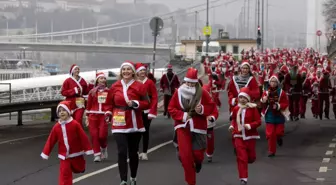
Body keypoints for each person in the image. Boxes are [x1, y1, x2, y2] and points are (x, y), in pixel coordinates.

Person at [168, 67, 216, 185]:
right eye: (187, 82)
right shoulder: (178, 92)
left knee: (197, 155)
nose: (189, 84)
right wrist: (183, 116)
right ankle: (190, 182)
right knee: (185, 157)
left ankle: (198, 162)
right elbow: (171, 108)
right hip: (182, 127)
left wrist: (202, 109)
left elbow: (212, 107)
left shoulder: (202, 93)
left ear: (196, 82)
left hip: (198, 127)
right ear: (184, 81)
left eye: (192, 82)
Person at [105, 61, 150, 185]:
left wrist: (136, 103)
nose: (126, 71)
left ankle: (133, 177)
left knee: (133, 152)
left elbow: (147, 103)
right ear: (121, 72)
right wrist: (108, 113)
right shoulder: (114, 87)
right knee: (121, 151)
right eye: (124, 69)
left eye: (128, 69)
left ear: (133, 72)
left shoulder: (140, 86)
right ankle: (123, 180)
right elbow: (109, 104)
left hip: (134, 123)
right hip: (119, 123)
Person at [40, 101, 93, 185]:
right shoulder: (56, 127)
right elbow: (51, 140)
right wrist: (45, 153)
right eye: (60, 111)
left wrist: (88, 149)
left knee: (79, 168)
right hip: (64, 155)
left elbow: (83, 137)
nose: (62, 112)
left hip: (76, 152)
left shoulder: (75, 124)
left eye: (64, 110)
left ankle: (81, 168)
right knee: (65, 174)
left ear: (68, 112)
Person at [228, 87, 261, 185]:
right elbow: (234, 120)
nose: (242, 99)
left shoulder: (252, 108)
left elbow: (258, 121)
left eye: (244, 97)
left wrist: (250, 125)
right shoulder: (236, 108)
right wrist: (231, 126)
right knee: (242, 158)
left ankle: (250, 159)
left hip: (250, 136)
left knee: (251, 157)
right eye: (240, 97)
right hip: (238, 135)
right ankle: (243, 178)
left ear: (248, 99)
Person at [86, 72, 112, 162]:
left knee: (102, 135)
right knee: (94, 135)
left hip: (103, 116)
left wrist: (108, 113)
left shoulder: (108, 91)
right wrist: (87, 116)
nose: (103, 80)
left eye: (104, 78)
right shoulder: (92, 92)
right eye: (101, 78)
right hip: (93, 115)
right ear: (97, 80)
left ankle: (104, 147)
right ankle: (96, 154)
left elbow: (110, 104)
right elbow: (88, 104)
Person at [260, 75, 289, 157]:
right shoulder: (266, 92)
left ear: (277, 83)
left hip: (279, 115)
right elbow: (262, 102)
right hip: (269, 114)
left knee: (278, 132)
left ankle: (279, 138)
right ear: (269, 82)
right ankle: (271, 151)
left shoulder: (281, 92)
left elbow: (286, 103)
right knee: (270, 134)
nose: (273, 83)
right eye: (272, 81)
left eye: (275, 82)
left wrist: (278, 106)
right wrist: (263, 100)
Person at [135, 63, 158, 161]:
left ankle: (144, 152)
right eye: (140, 70)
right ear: (136, 72)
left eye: (144, 70)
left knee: (145, 131)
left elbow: (155, 97)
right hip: (136, 111)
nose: (143, 72)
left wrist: (152, 110)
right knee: (136, 132)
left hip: (146, 111)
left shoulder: (150, 83)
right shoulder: (134, 82)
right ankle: (135, 151)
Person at [202, 80, 219, 162]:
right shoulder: (197, 102)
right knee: (198, 141)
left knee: (210, 140)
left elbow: (215, 112)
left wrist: (212, 117)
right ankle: (198, 154)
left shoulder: (212, 103)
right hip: (199, 125)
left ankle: (209, 153)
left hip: (209, 125)